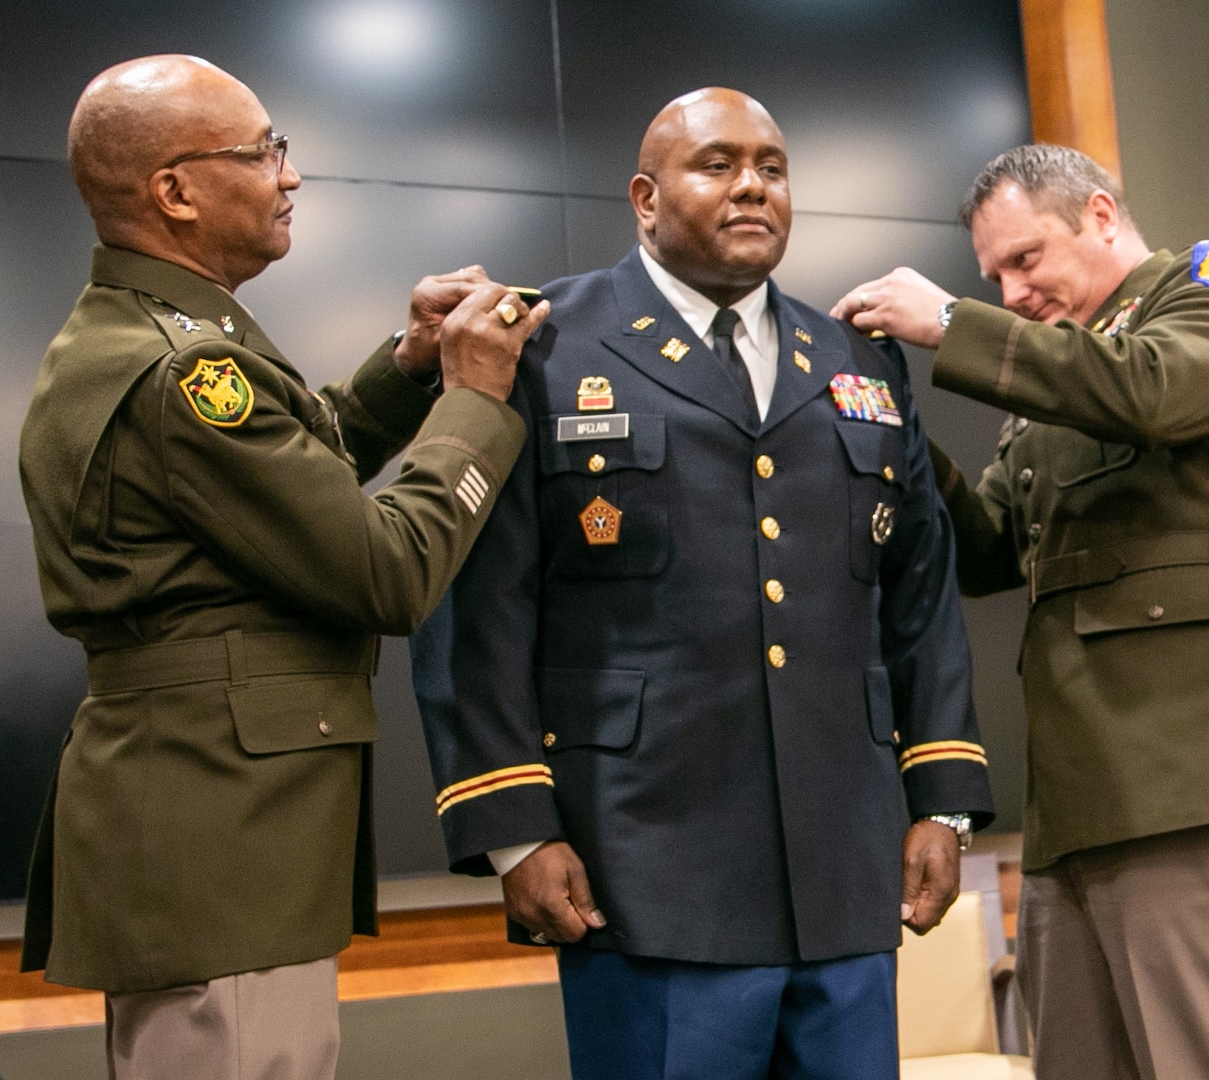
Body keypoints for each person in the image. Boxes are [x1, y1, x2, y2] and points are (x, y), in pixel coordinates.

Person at [411, 87, 993, 1080]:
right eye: (717, 165)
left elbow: (920, 599)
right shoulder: (542, 345)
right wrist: (512, 829)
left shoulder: (858, 359)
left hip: (845, 867)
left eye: (771, 166)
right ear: (644, 197)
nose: (752, 186)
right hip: (643, 865)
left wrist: (942, 799)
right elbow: (477, 605)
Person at [18, 54, 547, 1080]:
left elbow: (281, 486)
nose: (288, 175)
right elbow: (385, 570)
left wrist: (409, 366)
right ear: (173, 191)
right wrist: (474, 397)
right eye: (261, 151)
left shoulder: (150, 339)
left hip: (212, 834)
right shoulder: (183, 371)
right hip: (221, 851)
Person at [832, 143, 1209, 1080]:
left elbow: (1150, 390)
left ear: (1101, 217)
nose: (1011, 290)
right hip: (1079, 789)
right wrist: (897, 435)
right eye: (990, 277)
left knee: (1205, 1062)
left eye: (1025, 260)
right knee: (1075, 1063)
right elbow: (986, 547)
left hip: (1188, 764)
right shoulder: (1055, 383)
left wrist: (949, 320)